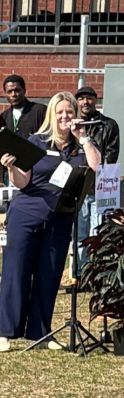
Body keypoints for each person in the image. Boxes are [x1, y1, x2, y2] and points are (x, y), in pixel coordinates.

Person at [0, 92, 101, 352]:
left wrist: (84, 139)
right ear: (52, 115)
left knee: (49, 275)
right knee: (16, 272)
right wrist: (11, 168)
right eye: (60, 112)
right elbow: (22, 181)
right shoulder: (37, 142)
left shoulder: (81, 145)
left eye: (70, 111)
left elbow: (97, 171)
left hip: (61, 217)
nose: (65, 116)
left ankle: (40, 333)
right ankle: (6, 332)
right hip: (26, 214)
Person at [72, 86, 120, 282]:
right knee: (79, 234)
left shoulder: (108, 125)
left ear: (95, 100)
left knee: (98, 232)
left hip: (101, 188)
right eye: (81, 99)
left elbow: (110, 156)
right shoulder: (72, 125)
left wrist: (101, 184)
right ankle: (79, 274)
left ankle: (97, 274)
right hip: (78, 187)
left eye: (89, 98)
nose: (85, 102)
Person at [0, 75, 46, 189]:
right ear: (5, 94)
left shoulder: (39, 111)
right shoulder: (4, 117)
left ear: (24, 90)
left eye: (17, 90)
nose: (13, 94)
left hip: (36, 173)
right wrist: (1, 180)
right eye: (9, 91)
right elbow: (0, 151)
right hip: (11, 172)